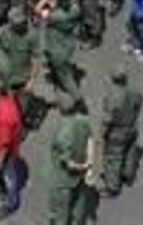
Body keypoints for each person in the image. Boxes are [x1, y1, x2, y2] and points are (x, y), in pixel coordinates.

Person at [48, 95, 94, 225]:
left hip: (64, 179)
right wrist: (89, 164)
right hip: (80, 177)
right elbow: (90, 140)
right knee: (79, 206)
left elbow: (68, 163)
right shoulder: (84, 121)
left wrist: (82, 166)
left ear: (60, 109)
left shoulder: (63, 133)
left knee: (61, 211)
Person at [99, 67, 143, 197]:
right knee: (129, 151)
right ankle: (127, 175)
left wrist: (102, 134)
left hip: (117, 131)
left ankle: (112, 187)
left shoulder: (113, 96)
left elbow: (107, 119)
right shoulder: (135, 91)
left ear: (113, 79)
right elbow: (138, 106)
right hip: (132, 126)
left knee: (114, 157)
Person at [0, 80, 26, 217]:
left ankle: (11, 203)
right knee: (2, 173)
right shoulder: (2, 99)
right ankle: (0, 185)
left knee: (9, 176)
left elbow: (5, 144)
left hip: (5, 153)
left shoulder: (5, 115)